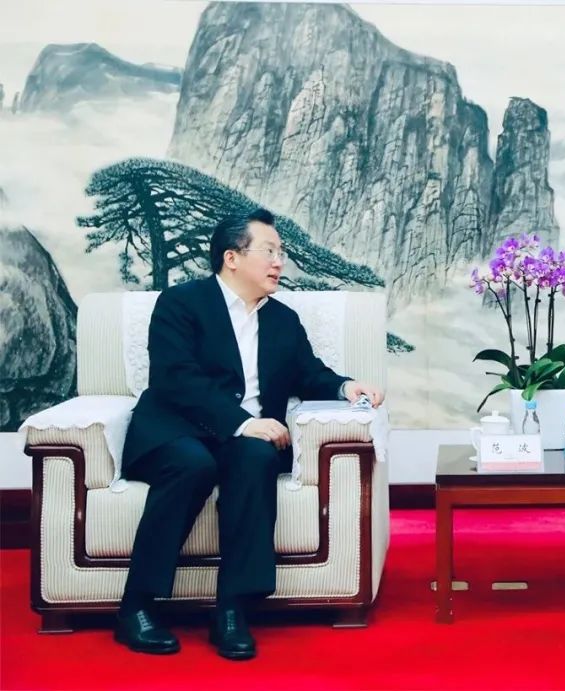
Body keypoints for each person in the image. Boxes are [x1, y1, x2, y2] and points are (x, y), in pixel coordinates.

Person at [114, 208, 383, 660]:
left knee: (257, 457)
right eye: (269, 251)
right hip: (175, 430)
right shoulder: (181, 304)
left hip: (244, 441)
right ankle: (137, 605)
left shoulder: (282, 320)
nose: (279, 262)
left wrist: (345, 386)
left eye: (281, 253)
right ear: (232, 258)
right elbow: (176, 378)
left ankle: (232, 610)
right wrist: (241, 422)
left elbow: (308, 373)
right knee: (194, 464)